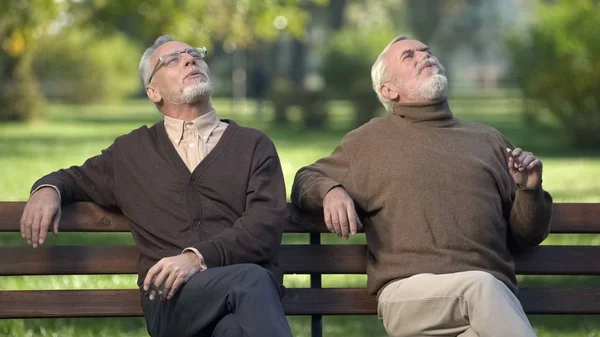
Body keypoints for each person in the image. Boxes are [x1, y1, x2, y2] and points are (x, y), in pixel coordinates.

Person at [20, 35, 293, 337]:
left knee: (233, 329)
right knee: (252, 280)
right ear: (153, 92)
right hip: (173, 302)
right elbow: (73, 178)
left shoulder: (253, 145)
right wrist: (47, 189)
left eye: (194, 54)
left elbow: (263, 226)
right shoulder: (131, 153)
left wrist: (196, 258)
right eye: (172, 60)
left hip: (247, 301)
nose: (190, 60)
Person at [291, 36, 552, 337]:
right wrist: (331, 191)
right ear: (389, 90)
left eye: (426, 51)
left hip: (488, 304)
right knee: (480, 287)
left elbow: (529, 236)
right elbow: (305, 178)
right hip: (409, 296)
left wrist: (530, 191)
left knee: (481, 305)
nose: (424, 56)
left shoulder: (488, 141)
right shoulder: (368, 141)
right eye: (409, 56)